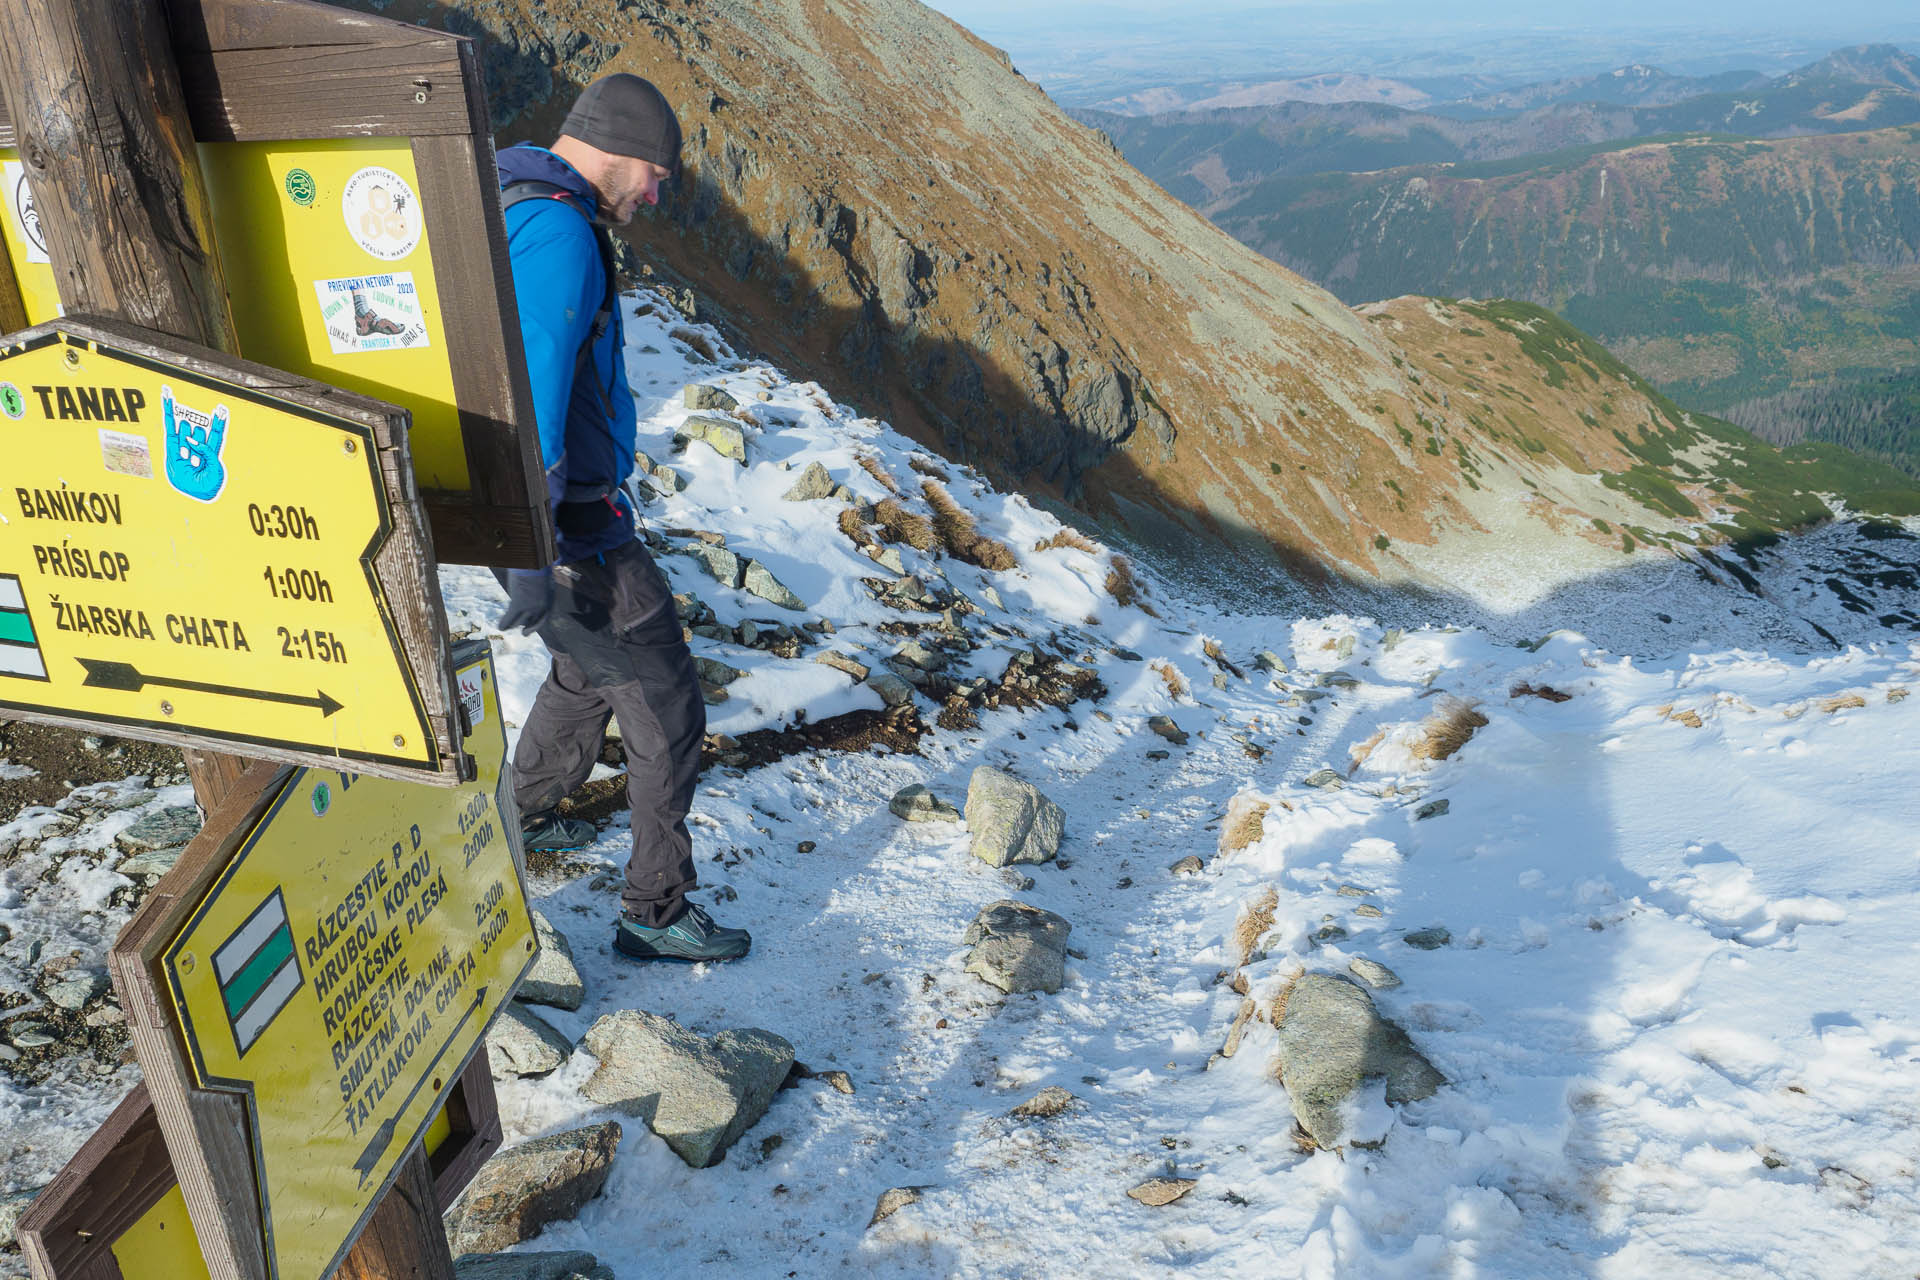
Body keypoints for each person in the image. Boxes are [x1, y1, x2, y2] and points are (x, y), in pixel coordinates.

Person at [494, 73, 750, 963]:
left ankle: (511, 828)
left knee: (583, 675)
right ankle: (657, 908)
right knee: (667, 704)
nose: (657, 191)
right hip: (573, 528)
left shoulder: (511, 202)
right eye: (656, 172)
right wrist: (536, 538)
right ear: (619, 149)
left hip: (547, 522)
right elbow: (533, 388)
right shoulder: (561, 232)